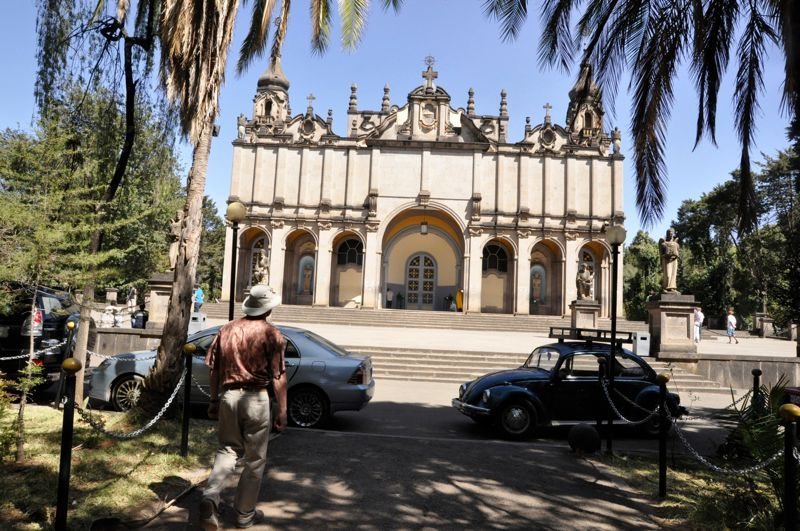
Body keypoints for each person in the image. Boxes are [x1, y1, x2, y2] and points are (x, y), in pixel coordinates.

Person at [199, 285, 288, 530]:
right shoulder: (272, 334)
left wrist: (214, 400)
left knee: (227, 450)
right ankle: (244, 514)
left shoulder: (226, 329)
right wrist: (282, 411)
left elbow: (214, 369)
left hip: (229, 397)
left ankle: (211, 495)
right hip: (257, 399)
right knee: (254, 460)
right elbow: (279, 377)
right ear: (269, 308)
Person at [659, 228, 680, 292]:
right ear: (667, 234)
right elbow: (661, 254)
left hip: (674, 260)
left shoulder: (676, 244)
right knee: (668, 275)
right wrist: (666, 255)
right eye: (669, 233)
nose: (670, 234)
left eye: (671, 233)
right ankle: (665, 287)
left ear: (673, 234)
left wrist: (675, 255)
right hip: (666, 261)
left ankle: (672, 288)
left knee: (673, 274)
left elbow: (678, 252)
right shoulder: (664, 244)